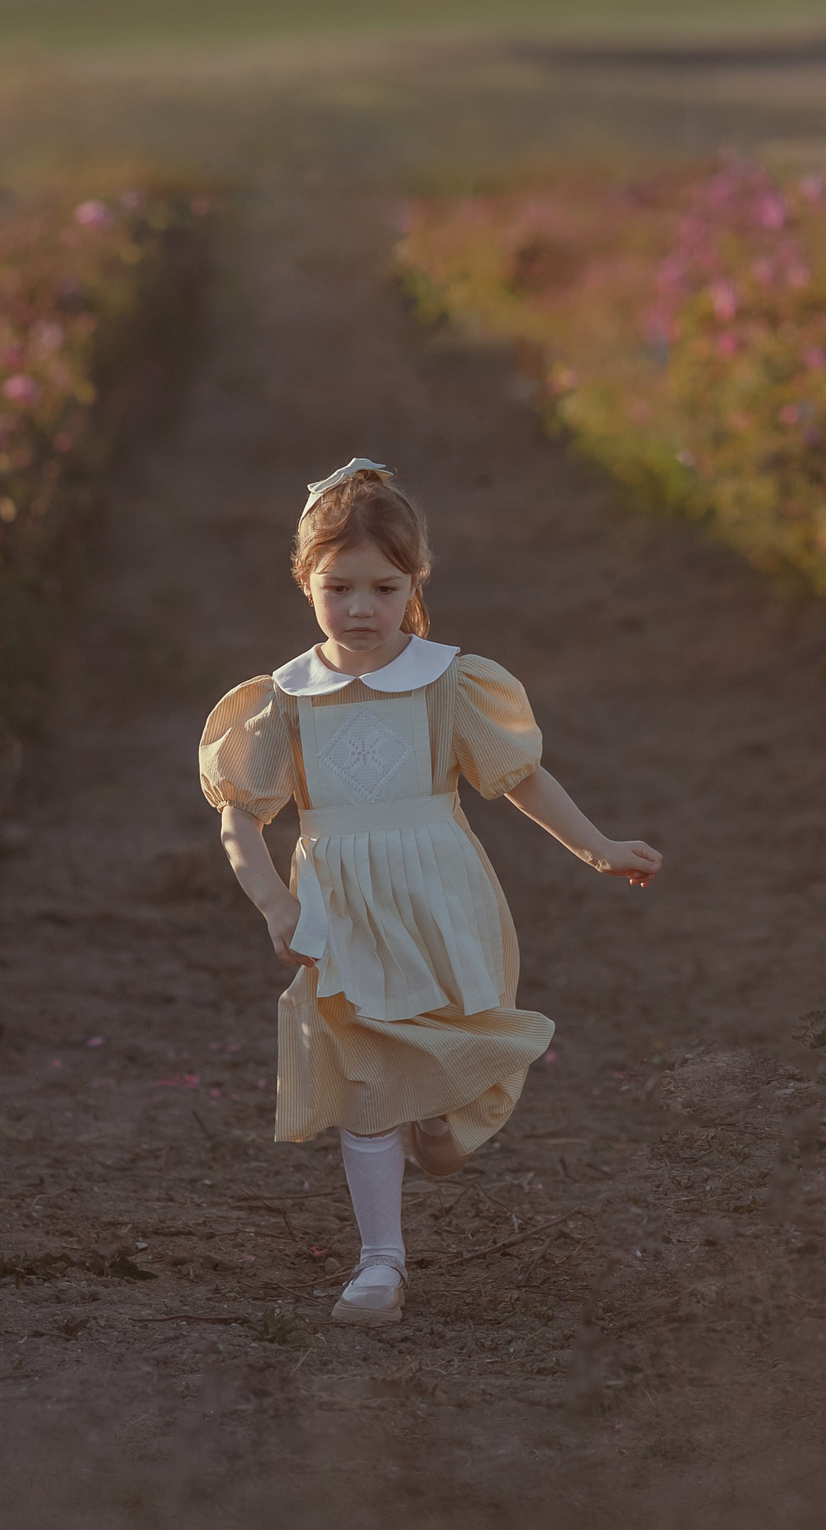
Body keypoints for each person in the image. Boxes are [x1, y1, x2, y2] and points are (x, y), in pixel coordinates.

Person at [200, 458, 662, 1325]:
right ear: (306, 583)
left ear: (413, 583)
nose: (362, 608)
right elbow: (241, 818)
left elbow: (521, 778)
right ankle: (380, 1261)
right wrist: (275, 902)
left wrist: (596, 846)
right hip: (339, 906)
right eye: (339, 587)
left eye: (383, 586)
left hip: (442, 897)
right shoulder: (285, 703)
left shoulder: (448, 681)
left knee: (444, 1067)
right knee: (365, 1068)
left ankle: (441, 1120)